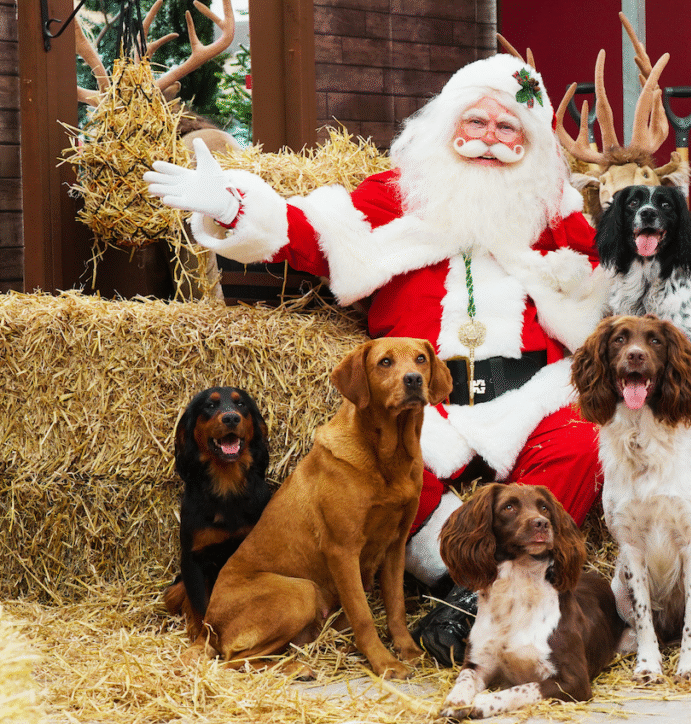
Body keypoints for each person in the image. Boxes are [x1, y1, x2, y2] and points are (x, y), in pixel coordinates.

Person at [145, 54, 608, 664]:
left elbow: (607, 279)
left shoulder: (553, 210)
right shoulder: (396, 196)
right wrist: (233, 204)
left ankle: (507, 588)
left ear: (531, 144)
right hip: (423, 401)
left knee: (583, 439)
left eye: (508, 130)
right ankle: (464, 588)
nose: (489, 143)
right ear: (446, 126)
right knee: (390, 479)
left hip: (530, 390)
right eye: (476, 123)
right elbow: (307, 230)